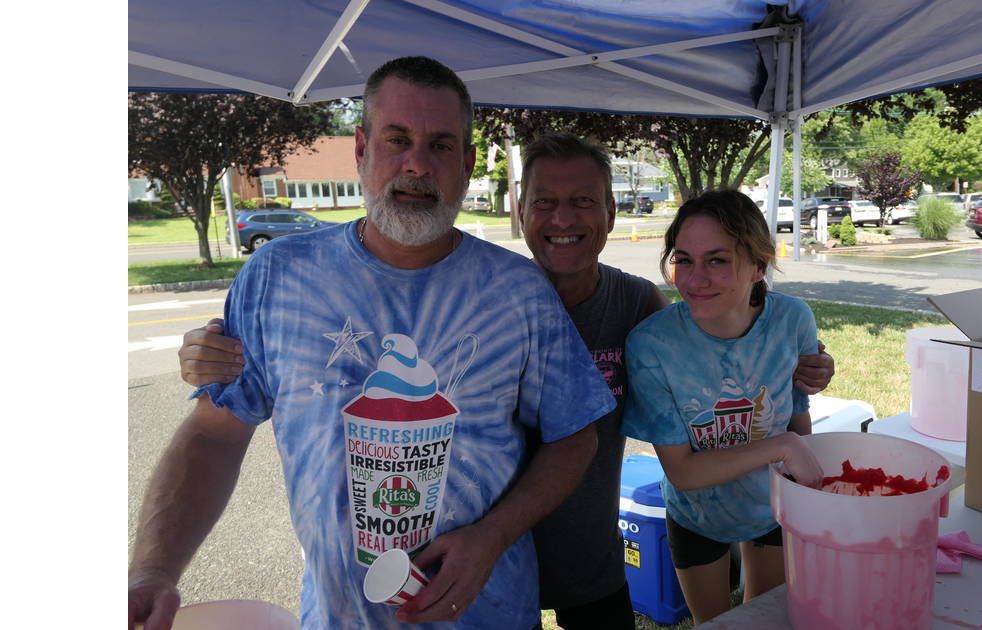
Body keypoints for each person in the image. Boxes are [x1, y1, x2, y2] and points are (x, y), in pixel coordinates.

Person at [177, 137, 837, 629]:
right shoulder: (479, 296)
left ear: (612, 211)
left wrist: (798, 365)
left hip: (586, 562)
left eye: (583, 200)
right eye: (544, 201)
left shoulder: (641, 309)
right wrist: (215, 354)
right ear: (519, 211)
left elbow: (710, 365)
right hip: (462, 576)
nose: (563, 217)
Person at [128, 57, 617, 630]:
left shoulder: (519, 291)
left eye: (440, 145)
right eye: (397, 139)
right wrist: (154, 571)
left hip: (492, 614)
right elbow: (214, 432)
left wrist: (492, 535)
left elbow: (575, 435)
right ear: (361, 149)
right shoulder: (276, 276)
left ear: (465, 163)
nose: (416, 164)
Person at [620, 189, 824, 625]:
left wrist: (801, 484)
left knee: (762, 619)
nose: (694, 280)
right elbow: (684, 471)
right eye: (684, 259)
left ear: (758, 265)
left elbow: (796, 411)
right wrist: (781, 446)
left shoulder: (793, 320)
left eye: (717, 260)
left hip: (772, 507)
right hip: (697, 516)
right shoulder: (652, 344)